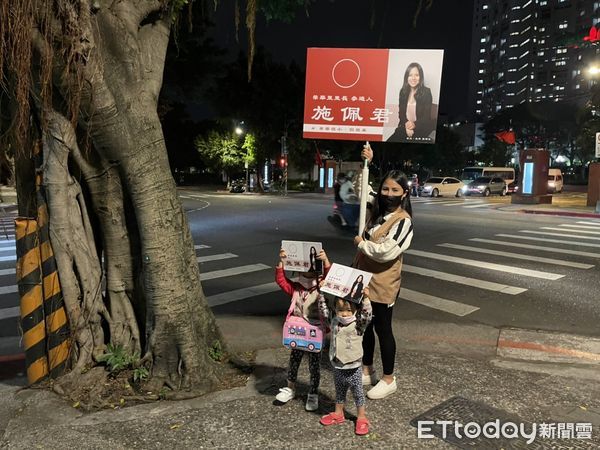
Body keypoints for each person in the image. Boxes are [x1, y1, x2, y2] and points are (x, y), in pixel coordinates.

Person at [353, 144, 414, 400]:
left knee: (383, 329)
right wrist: (368, 162)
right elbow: (361, 188)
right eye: (385, 189)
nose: (388, 194)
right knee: (364, 326)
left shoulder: (403, 221)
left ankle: (389, 379)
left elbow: (386, 251)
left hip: (384, 283)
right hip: (363, 279)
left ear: (404, 193)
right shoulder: (377, 211)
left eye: (395, 190)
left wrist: (361, 244)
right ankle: (367, 368)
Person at [275, 247, 331, 411]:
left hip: (315, 331)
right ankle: (290, 388)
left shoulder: (321, 287)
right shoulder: (296, 288)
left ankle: (313, 393)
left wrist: (326, 260)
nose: (307, 276)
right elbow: (281, 280)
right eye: (304, 273)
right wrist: (282, 262)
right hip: (298, 332)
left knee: (315, 365)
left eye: (310, 272)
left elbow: (331, 277)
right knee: (294, 360)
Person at [318, 288, 373, 435]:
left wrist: (366, 299)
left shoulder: (359, 323)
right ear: (335, 309)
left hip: (354, 367)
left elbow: (367, 315)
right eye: (340, 309)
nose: (344, 313)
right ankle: (338, 413)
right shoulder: (334, 321)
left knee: (358, 393)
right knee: (339, 392)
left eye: (348, 310)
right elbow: (324, 311)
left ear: (355, 310)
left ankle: (361, 417)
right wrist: (322, 293)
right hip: (337, 366)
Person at [387, 62, 434, 143]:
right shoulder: (403, 92)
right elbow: (401, 114)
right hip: (405, 127)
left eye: (417, 75)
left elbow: (426, 117)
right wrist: (406, 126)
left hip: (421, 127)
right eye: (410, 75)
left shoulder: (426, 92)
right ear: (406, 77)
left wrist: (414, 125)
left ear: (420, 77)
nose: (413, 78)